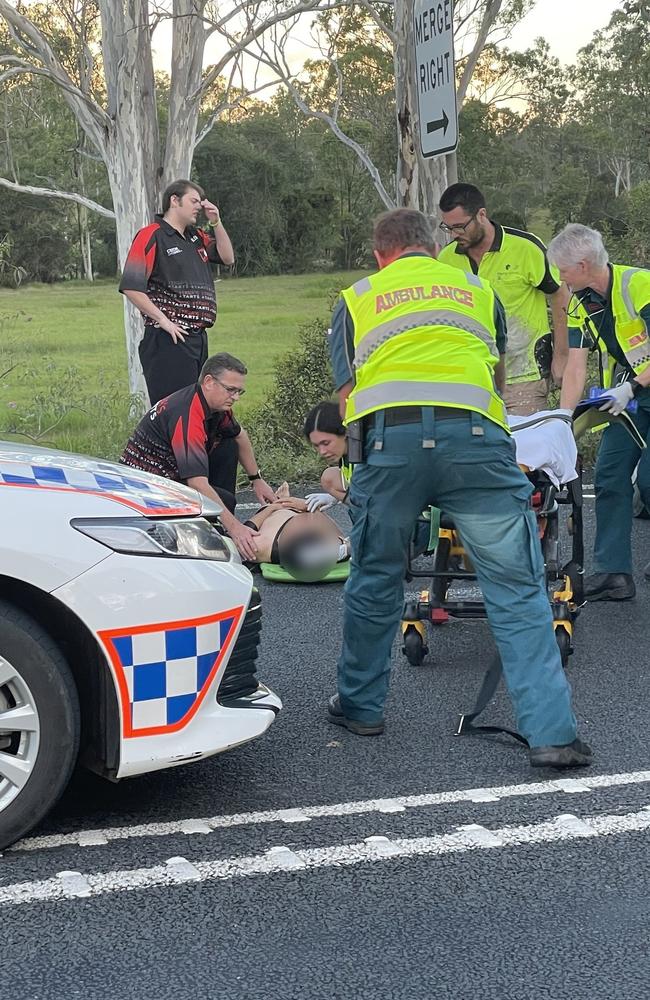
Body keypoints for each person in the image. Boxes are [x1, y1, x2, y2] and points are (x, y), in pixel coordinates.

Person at [327, 206, 591, 769]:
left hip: (391, 445)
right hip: (476, 442)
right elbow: (494, 380)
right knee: (517, 589)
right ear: (431, 246)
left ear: (381, 254)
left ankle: (361, 707)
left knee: (375, 577)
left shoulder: (357, 298)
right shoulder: (476, 291)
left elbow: (348, 400)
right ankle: (552, 734)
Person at [547, 223, 650, 602]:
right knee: (608, 474)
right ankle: (614, 573)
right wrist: (560, 420)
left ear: (584, 264)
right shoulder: (581, 301)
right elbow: (576, 367)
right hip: (631, 400)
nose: (560, 278)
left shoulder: (639, 286)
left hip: (633, 390)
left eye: (563, 270)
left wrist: (632, 385)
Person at [120, 352, 276, 560]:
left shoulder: (214, 405)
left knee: (228, 444)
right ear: (209, 382)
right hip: (143, 490)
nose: (236, 397)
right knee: (224, 502)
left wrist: (256, 480)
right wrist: (235, 528)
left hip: (170, 473)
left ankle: (217, 528)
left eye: (240, 391)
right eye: (231, 390)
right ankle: (215, 538)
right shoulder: (187, 413)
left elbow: (240, 436)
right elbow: (197, 483)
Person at [438, 183, 570, 415]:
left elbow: (560, 295)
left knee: (525, 448)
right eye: (448, 228)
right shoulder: (446, 259)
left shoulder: (525, 247)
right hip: (472, 379)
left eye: (460, 227)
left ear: (481, 215)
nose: (454, 234)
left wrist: (561, 357)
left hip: (524, 375)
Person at [120, 178, 235, 405]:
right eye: (194, 201)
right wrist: (163, 320)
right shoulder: (152, 234)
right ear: (174, 200)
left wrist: (216, 222)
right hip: (168, 339)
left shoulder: (195, 237)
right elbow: (131, 286)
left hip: (197, 338)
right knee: (175, 411)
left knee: (196, 410)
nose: (198, 207)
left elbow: (227, 257)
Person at [242, 482, 349, 577]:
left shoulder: (262, 545)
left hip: (279, 518)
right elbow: (336, 532)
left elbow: (246, 530)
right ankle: (283, 502)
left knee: (268, 514)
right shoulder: (330, 538)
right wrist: (309, 506)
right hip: (299, 519)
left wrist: (273, 507)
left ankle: (279, 501)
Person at [303, 402, 351, 511]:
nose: (322, 451)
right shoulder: (347, 453)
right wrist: (335, 497)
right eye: (316, 445)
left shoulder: (368, 454)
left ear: (344, 433)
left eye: (326, 443)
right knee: (329, 477)